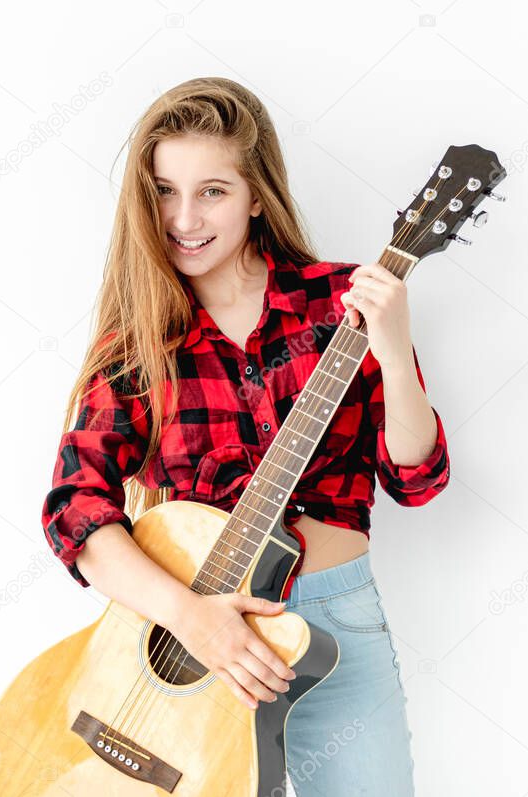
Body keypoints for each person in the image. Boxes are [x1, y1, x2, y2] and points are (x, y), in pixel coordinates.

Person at [41, 76, 450, 796]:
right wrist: (193, 619)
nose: (184, 217)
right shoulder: (139, 344)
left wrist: (393, 346)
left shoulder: (342, 303)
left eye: (213, 191)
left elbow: (416, 477)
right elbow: (76, 512)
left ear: (257, 194)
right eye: (165, 190)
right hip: (187, 640)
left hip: (334, 625)